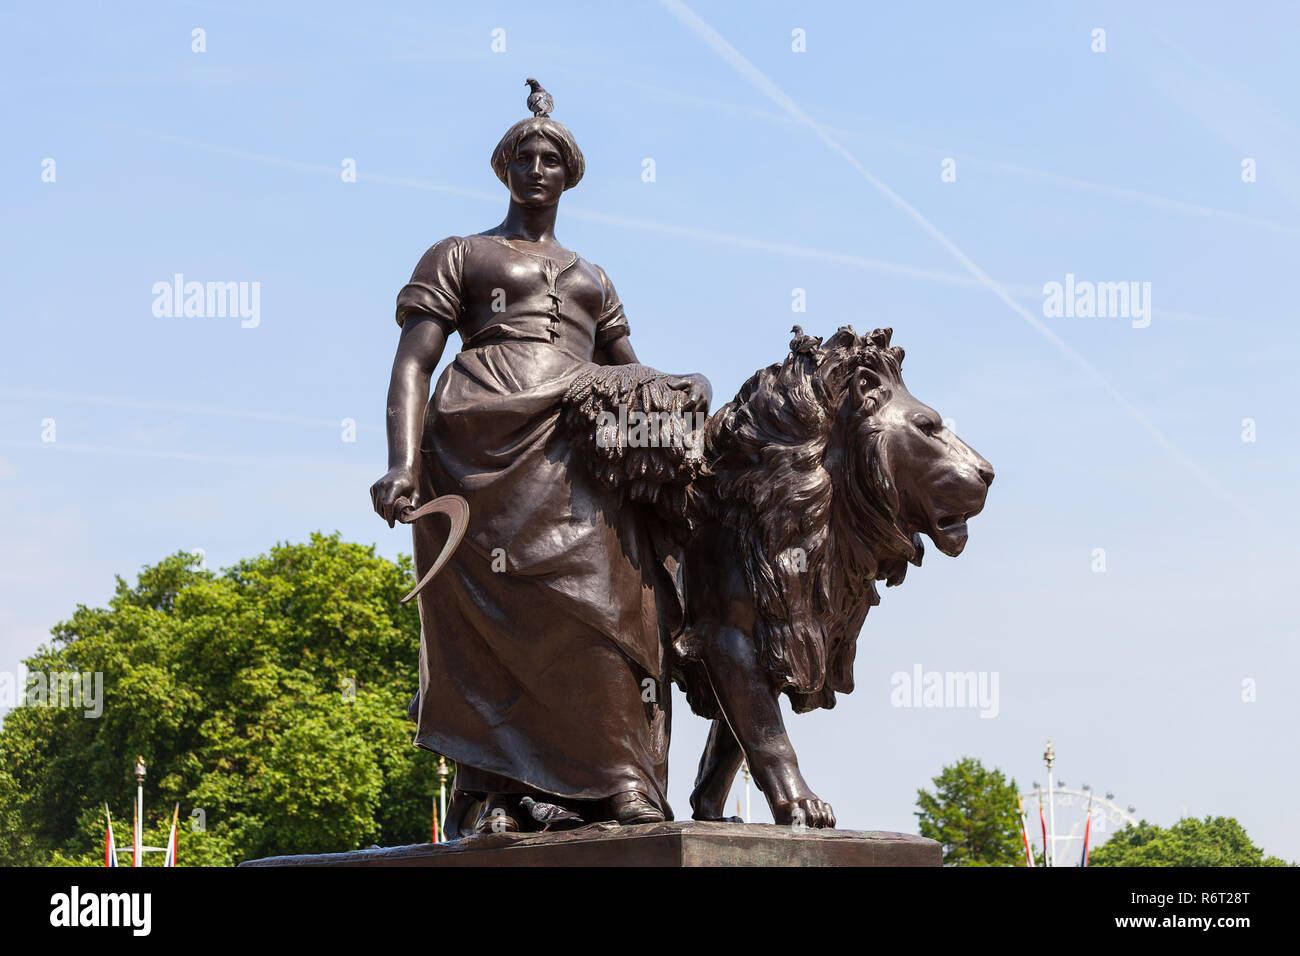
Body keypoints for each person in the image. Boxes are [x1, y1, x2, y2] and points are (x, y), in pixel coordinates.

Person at [369, 82, 711, 834]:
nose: (535, 166)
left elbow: (632, 378)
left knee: (609, 605)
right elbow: (412, 364)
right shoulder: (462, 254)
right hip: (475, 454)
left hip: (576, 458)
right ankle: (497, 786)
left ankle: (617, 778)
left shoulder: (594, 280)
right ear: (503, 169)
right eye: (522, 155)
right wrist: (401, 463)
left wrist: (683, 408)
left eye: (550, 157)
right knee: (493, 622)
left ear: (569, 175)